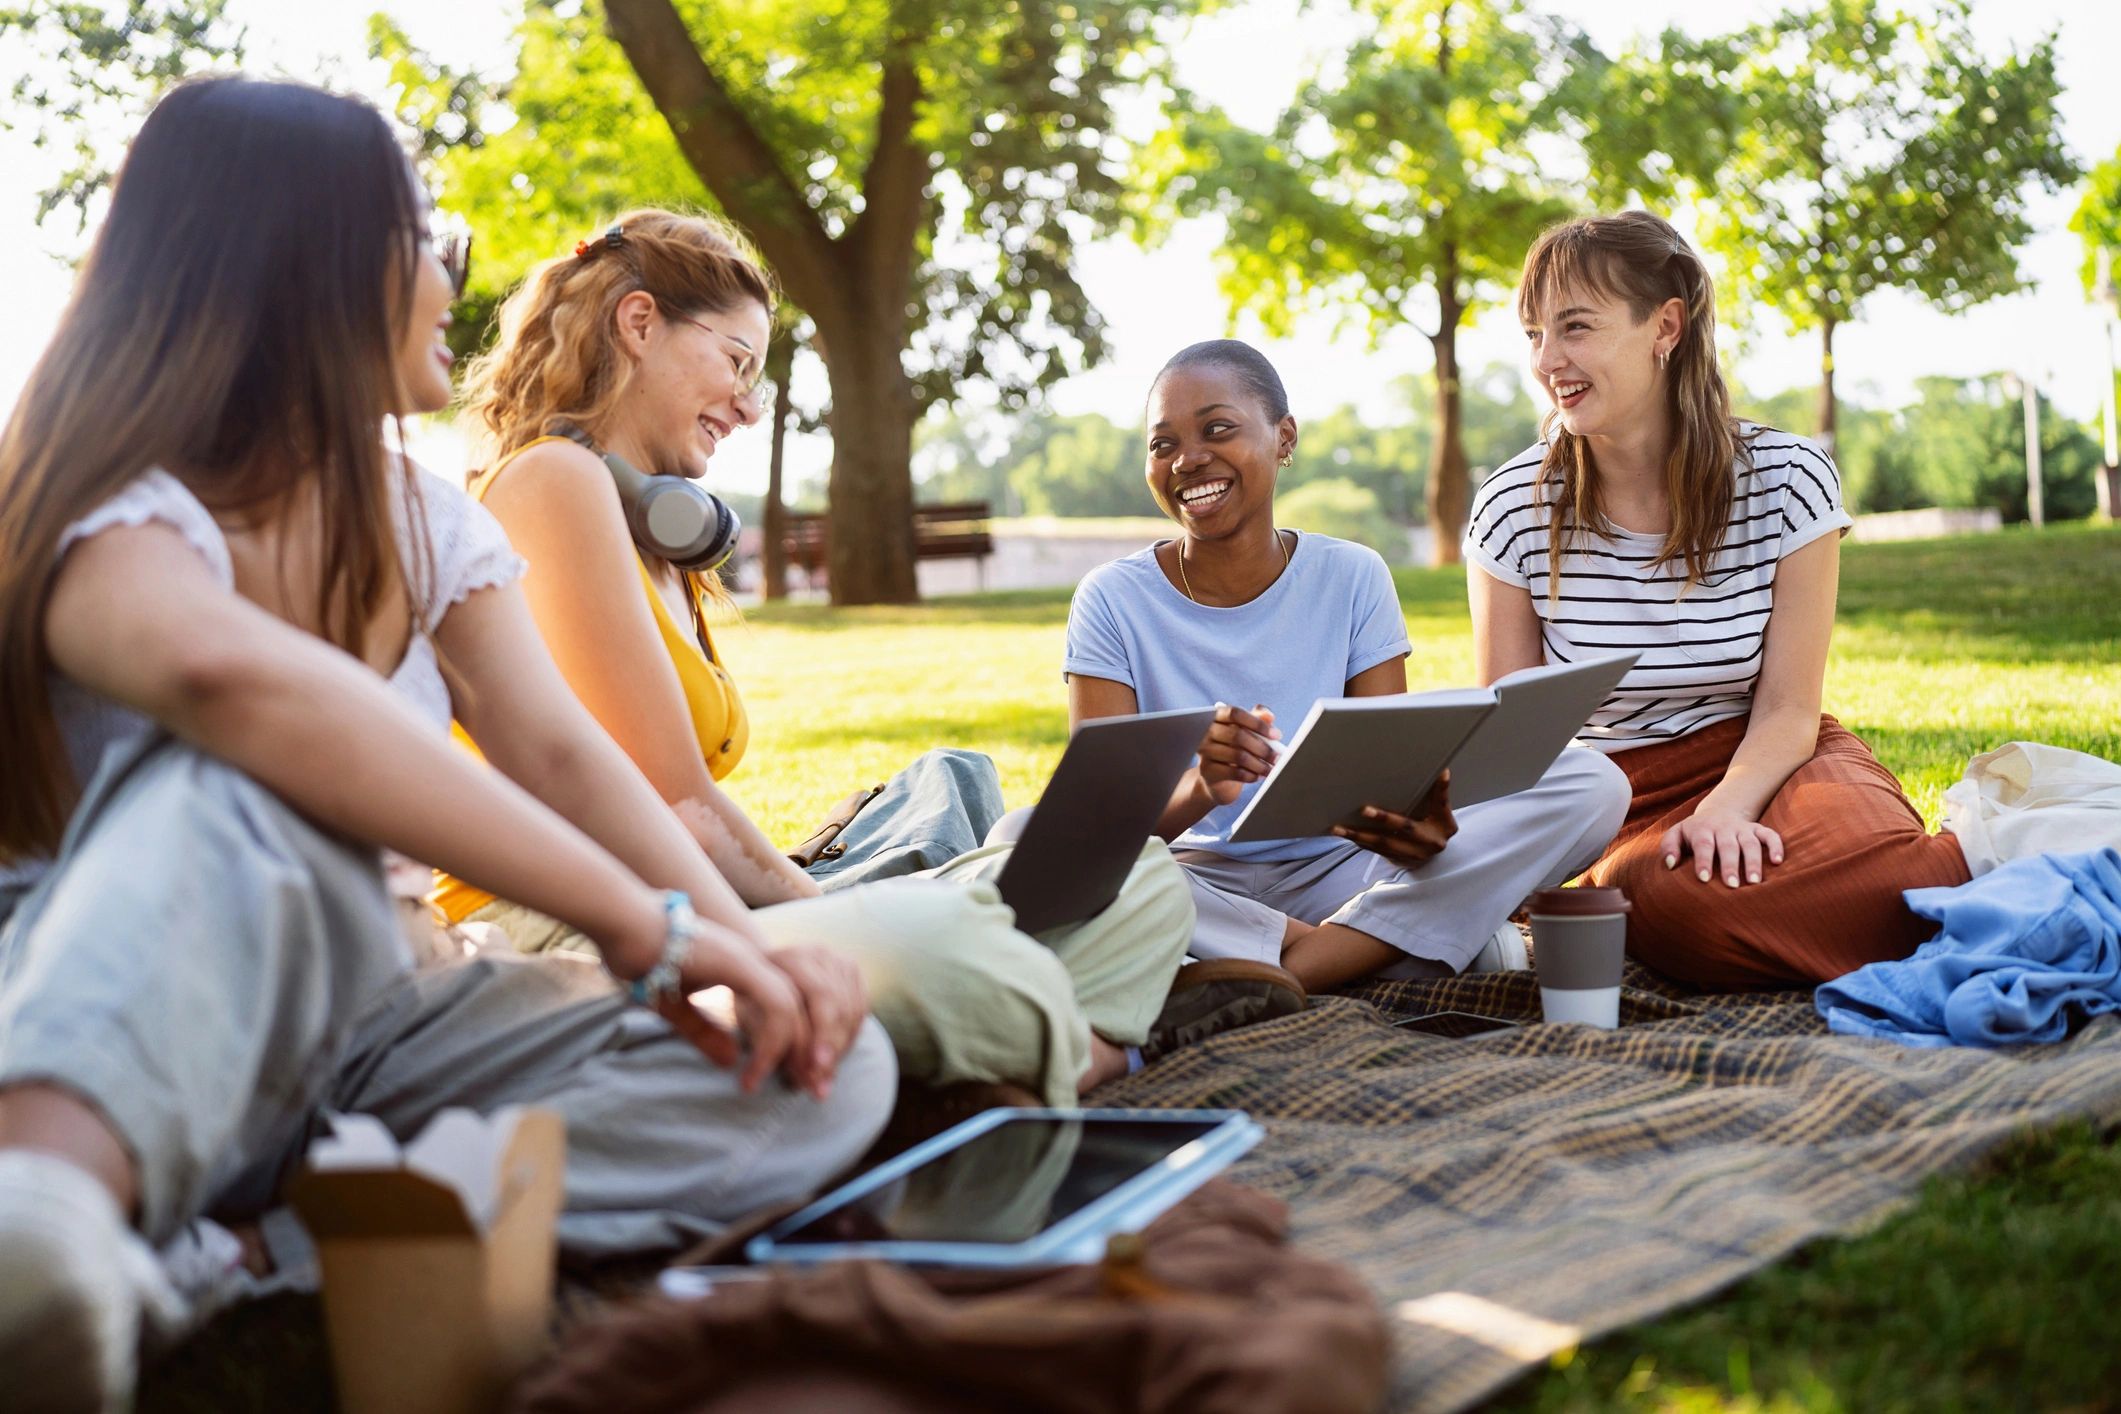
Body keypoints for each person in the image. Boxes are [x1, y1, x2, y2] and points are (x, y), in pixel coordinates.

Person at [0, 80, 894, 1408]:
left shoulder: (424, 516)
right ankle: (50, 1198)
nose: (455, 279)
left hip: (371, 1013)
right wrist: (641, 924)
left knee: (822, 1074)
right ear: (312, 263)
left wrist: (729, 952)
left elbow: (563, 753)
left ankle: (239, 1251)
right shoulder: (104, 499)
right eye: (431, 241)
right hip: (114, 1014)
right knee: (245, 775)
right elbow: (231, 682)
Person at [433, 208, 1255, 1107]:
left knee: (1139, 876)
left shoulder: (654, 536)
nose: (748, 405)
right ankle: (1079, 1048)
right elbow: (680, 805)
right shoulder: (557, 480)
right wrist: (838, 920)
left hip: (701, 907)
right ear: (639, 326)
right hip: (580, 926)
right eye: (737, 363)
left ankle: (1028, 1054)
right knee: (947, 944)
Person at [1470, 210, 1971, 989]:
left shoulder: (1787, 478)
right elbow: (1515, 740)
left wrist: (1729, 807)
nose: (1547, 360)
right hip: (1615, 797)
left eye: (1574, 327)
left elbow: (1787, 710)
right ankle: (1926, 921)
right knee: (1690, 911)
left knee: (1900, 882)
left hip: (1775, 755)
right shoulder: (1513, 505)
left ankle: (1967, 879)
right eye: (1533, 334)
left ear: (1664, 326)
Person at [1064, 340, 1632, 993]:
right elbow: (1092, 824)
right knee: (1023, 836)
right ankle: (1377, 951)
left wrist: (1415, 831)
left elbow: (1383, 781)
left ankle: (1298, 966)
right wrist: (1201, 788)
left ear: (1283, 438)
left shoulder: (1351, 575)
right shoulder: (1112, 599)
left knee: (1589, 781)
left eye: (1216, 429)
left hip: (1345, 874)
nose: (1187, 459)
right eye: (1162, 445)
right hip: (1190, 885)